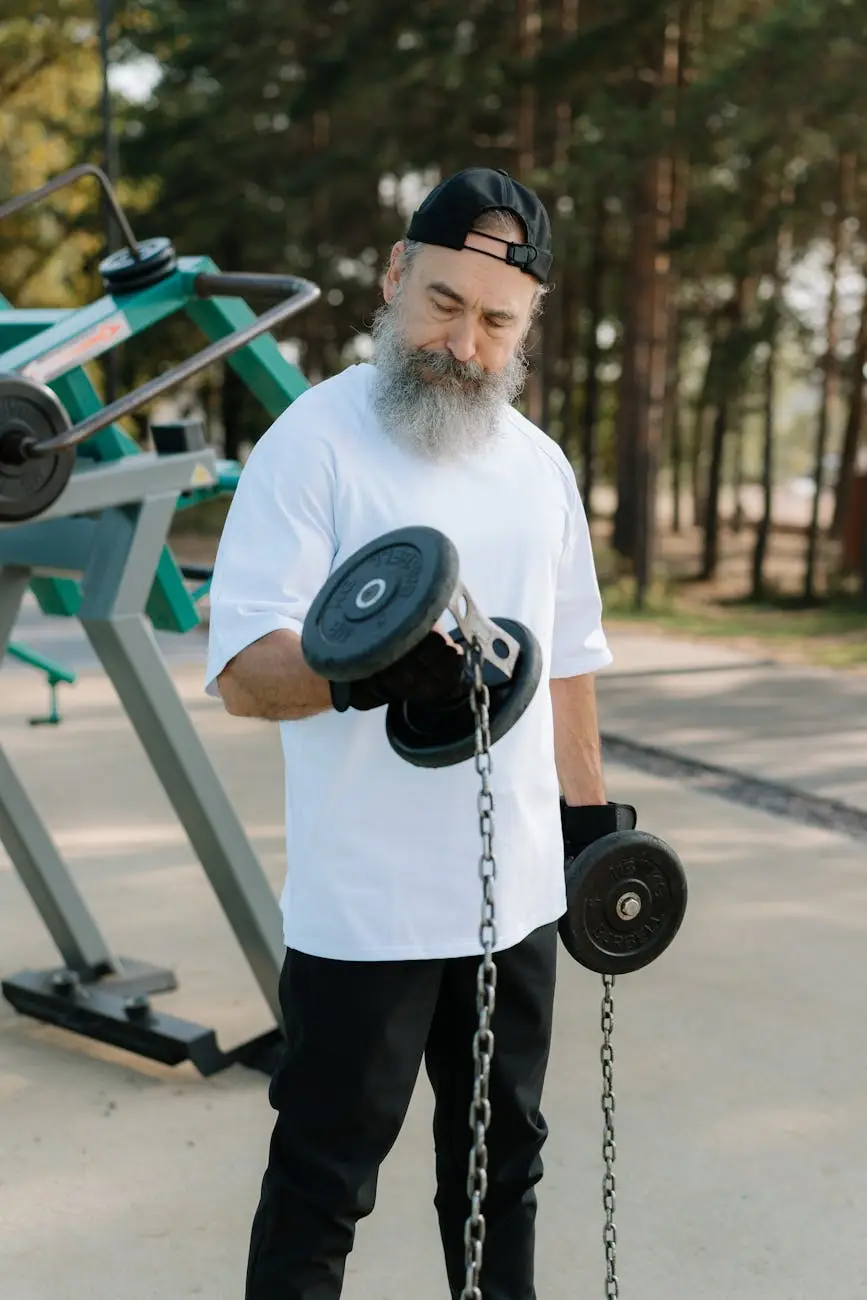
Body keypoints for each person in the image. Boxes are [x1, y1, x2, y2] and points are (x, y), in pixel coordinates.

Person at [205, 166, 621, 1300]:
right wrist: (364, 679)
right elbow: (243, 673)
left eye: (497, 321)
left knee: (503, 1173)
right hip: (366, 905)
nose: (464, 344)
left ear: (528, 324)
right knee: (323, 1181)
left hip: (517, 899)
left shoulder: (539, 466)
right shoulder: (315, 442)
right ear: (394, 277)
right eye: (443, 302)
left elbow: (569, 661)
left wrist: (592, 830)